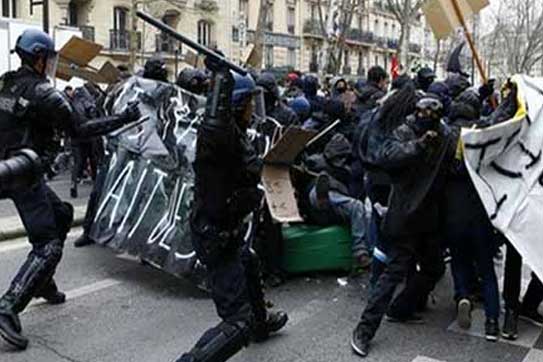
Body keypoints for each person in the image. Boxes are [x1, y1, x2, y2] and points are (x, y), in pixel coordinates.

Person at [0, 29, 141, 350]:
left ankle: (42, 281)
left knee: (62, 215)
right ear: (38, 59)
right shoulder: (44, 94)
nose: (50, 65)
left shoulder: (5, 84)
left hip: (10, 168)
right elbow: (80, 131)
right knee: (48, 244)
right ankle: (9, 305)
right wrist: (123, 117)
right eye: (48, 59)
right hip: (25, 172)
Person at [175, 58, 288, 362]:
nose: (255, 109)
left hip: (228, 226)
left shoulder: (235, 134)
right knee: (239, 321)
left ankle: (262, 322)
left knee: (249, 261)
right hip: (216, 233)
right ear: (236, 106)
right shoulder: (218, 135)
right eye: (250, 103)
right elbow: (215, 124)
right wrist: (222, 77)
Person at [351, 93, 453, 357]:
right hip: (405, 216)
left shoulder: (445, 135)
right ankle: (364, 330)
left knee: (433, 268)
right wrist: (418, 145)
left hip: (428, 217)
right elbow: (388, 154)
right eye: (423, 115)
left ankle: (400, 309)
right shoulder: (404, 131)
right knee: (392, 272)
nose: (426, 121)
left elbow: (477, 136)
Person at [443, 90, 501, 341]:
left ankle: (463, 295)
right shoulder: (483, 136)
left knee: (459, 261)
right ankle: (491, 322)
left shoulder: (445, 137)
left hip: (454, 212)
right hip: (481, 213)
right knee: (486, 269)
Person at [304, 133, 371, 268]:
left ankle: (323, 200)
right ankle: (360, 251)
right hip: (319, 205)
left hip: (328, 208)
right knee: (356, 206)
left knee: (355, 206)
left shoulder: (316, 162)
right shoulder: (346, 169)